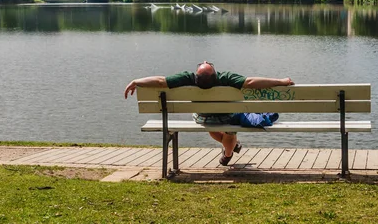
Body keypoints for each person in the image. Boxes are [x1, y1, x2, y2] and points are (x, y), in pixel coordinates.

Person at [124, 61, 294, 165]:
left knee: (208, 120)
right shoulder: (226, 77)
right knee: (230, 125)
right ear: (215, 74)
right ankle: (228, 153)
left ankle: (230, 148)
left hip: (203, 117)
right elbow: (250, 82)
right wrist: (281, 81)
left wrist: (136, 81)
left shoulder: (188, 78)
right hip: (228, 115)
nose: (205, 61)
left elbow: (160, 81)